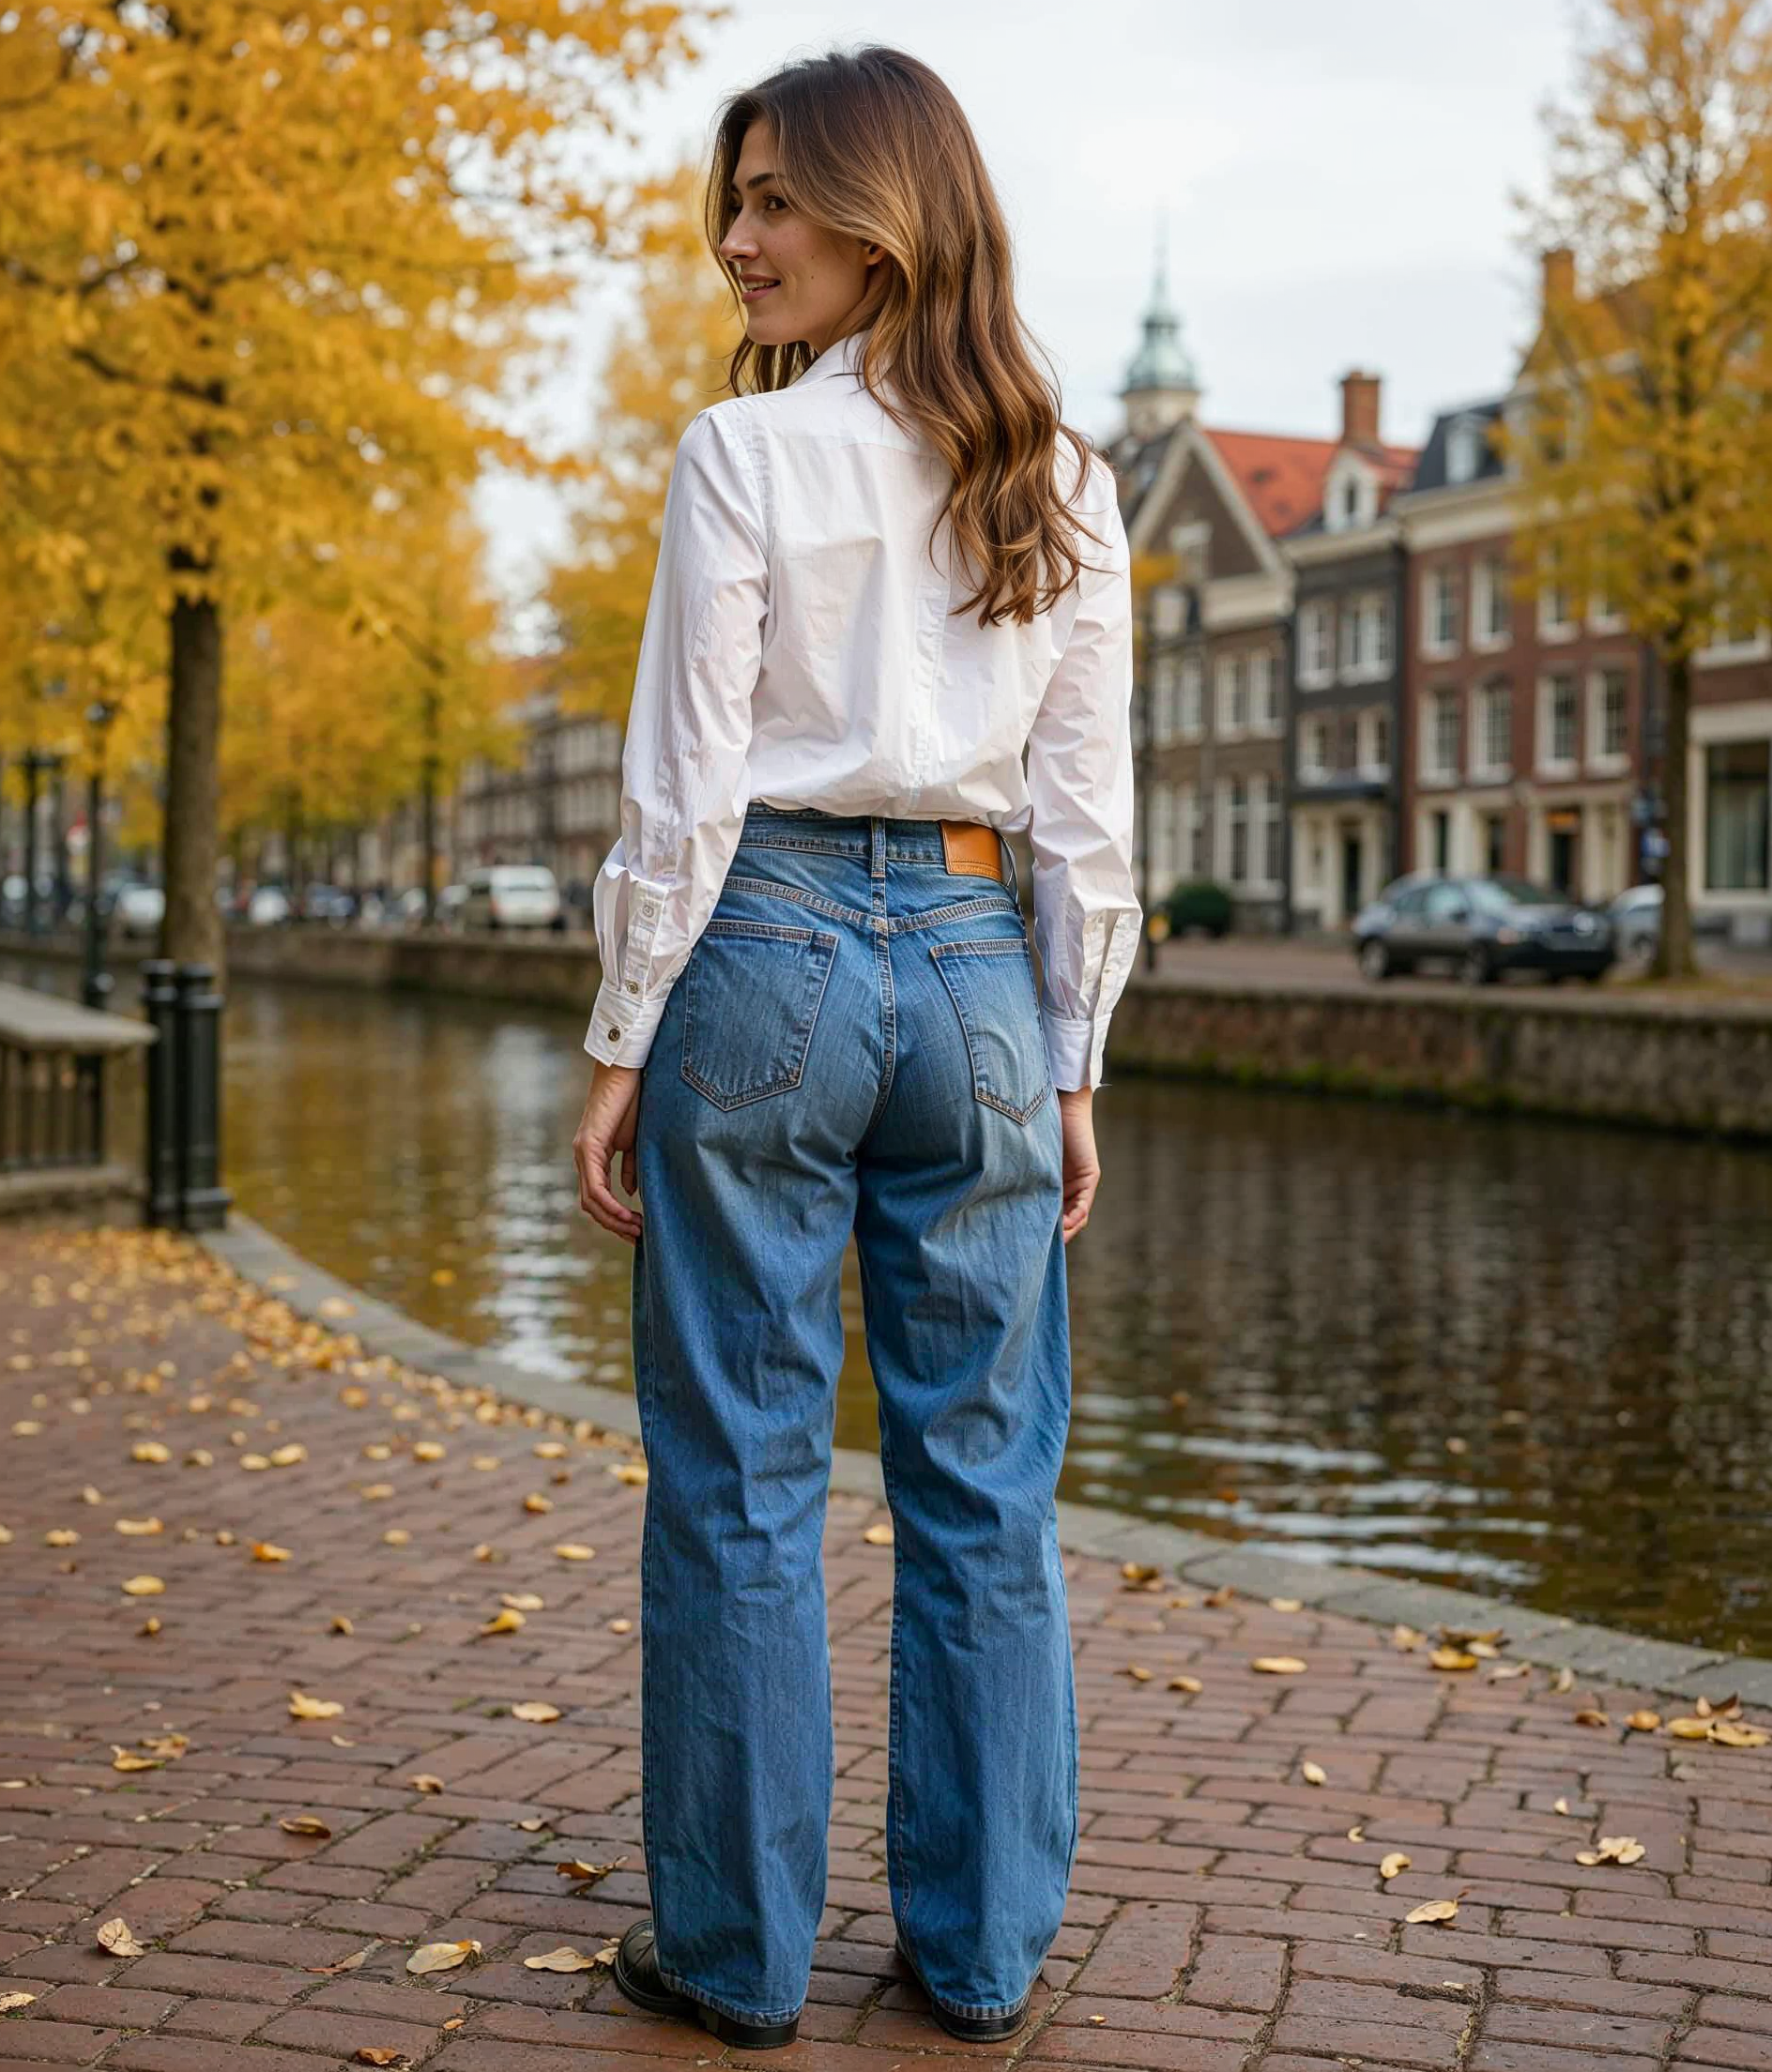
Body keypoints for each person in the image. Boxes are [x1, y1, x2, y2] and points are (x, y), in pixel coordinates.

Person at [571, 43, 1139, 2055]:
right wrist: (1070, 1062)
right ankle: (977, 1958)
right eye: (732, 202)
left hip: (766, 947)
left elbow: (684, 786)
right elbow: (1085, 820)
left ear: (882, 221)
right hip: (980, 971)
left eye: (773, 201)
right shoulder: (1063, 479)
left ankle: (734, 1959)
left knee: (739, 1473)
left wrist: (623, 1034)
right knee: (984, 1481)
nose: (735, 241)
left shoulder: (744, 456)